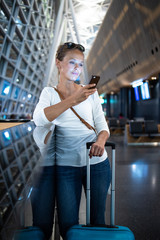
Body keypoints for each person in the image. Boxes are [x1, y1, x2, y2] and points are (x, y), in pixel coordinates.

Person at [33, 42, 111, 239]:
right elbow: (39, 119)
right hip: (66, 165)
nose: (77, 68)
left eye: (81, 64)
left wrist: (100, 142)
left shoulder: (90, 93)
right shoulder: (49, 93)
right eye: (72, 63)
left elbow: (102, 127)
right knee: (68, 223)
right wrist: (73, 100)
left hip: (97, 163)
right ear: (58, 63)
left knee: (97, 221)